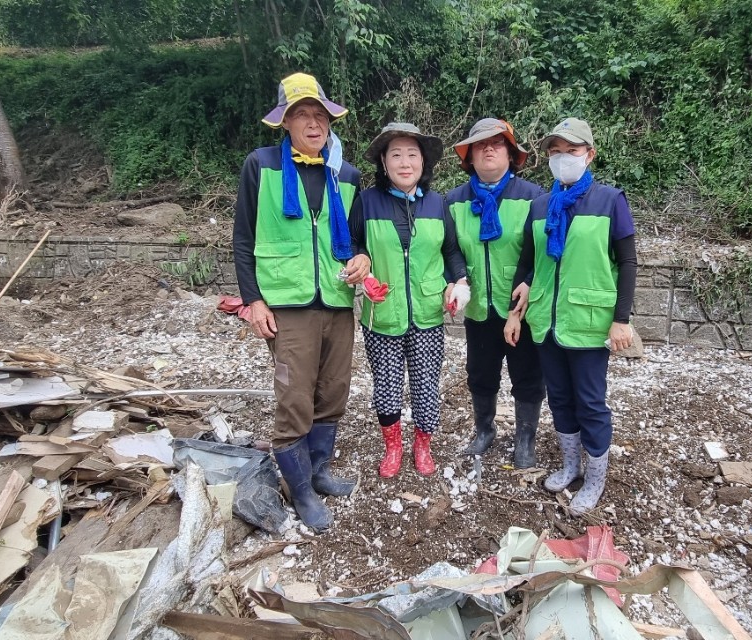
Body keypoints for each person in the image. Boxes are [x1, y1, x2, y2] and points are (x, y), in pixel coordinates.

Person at [232, 72, 370, 531]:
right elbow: (243, 238)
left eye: (319, 115)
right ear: (284, 122)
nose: (313, 123)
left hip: (335, 299)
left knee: (333, 391)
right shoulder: (262, 165)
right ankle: (301, 491)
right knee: (295, 398)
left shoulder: (344, 173)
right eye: (301, 115)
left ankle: (320, 470)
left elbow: (354, 237)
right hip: (286, 303)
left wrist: (362, 258)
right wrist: (254, 301)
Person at [504, 117, 637, 516]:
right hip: (546, 321)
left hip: (589, 323)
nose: (563, 158)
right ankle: (570, 466)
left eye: (572, 151)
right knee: (559, 397)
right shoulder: (540, 206)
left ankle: (595, 477)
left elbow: (627, 262)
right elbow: (528, 264)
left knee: (591, 402)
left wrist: (621, 318)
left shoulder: (610, 200)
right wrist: (516, 312)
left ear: (589, 154)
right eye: (555, 152)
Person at [349, 122, 468, 478]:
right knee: (385, 384)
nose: (405, 162)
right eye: (396, 155)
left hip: (429, 312)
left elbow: (451, 252)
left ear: (423, 162)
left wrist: (458, 283)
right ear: (384, 163)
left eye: (412, 155)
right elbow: (353, 245)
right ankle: (393, 446)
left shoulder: (437, 203)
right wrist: (362, 262)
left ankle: (422, 444)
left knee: (426, 384)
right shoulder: (367, 201)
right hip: (382, 312)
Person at [444, 118, 546, 468]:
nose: (489, 149)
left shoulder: (533, 198)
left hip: (520, 307)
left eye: (497, 143)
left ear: (510, 154)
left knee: (528, 375)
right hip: (479, 307)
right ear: (469, 157)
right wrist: (457, 278)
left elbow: (542, 251)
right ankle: (484, 430)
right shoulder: (455, 201)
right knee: (480, 373)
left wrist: (530, 284)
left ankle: (525, 439)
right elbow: (450, 249)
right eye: (480, 144)